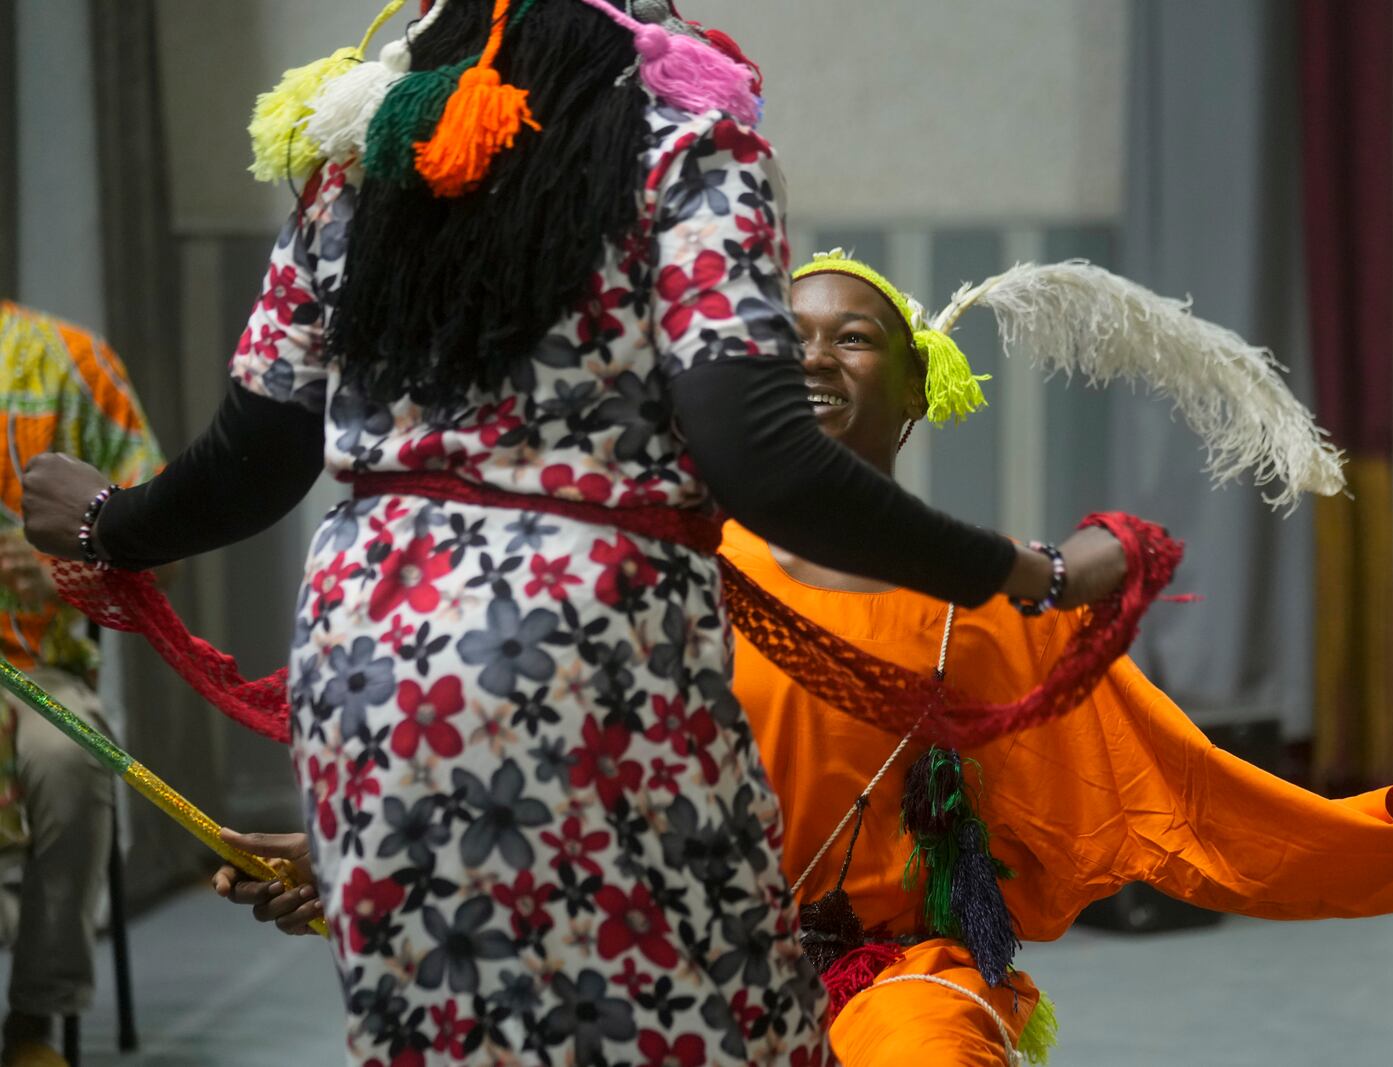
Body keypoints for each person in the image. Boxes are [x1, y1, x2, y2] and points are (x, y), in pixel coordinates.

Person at [17, 4, 1130, 1064]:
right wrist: (1027, 572)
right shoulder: (690, 148)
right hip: (595, 646)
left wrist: (110, 520)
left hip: (371, 664)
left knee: (446, 1020)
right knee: (703, 1007)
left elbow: (254, 459)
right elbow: (767, 458)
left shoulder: (354, 156)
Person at [214, 253, 1393, 1065]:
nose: (813, 352)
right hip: (676, 969)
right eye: (784, 336)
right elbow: (535, 805)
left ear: (918, 392)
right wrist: (343, 867)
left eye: (853, 335)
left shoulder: (986, 613)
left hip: (893, 973)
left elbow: (1197, 805)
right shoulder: (664, 574)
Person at [0, 301, 164, 1067]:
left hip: (34, 666)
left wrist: (61, 567)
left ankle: (34, 1019)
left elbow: (157, 523)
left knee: (69, 758)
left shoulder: (65, 359)